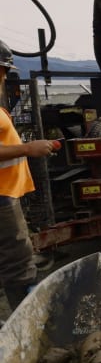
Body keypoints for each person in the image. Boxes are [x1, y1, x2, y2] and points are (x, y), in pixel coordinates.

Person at [0, 40, 53, 313]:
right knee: (19, 264)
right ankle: (29, 324)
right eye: (3, 70)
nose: (5, 76)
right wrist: (28, 148)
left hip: (7, 193)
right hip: (2, 198)